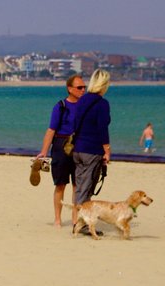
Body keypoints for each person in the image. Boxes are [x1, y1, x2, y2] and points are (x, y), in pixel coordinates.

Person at [35, 74, 85, 228]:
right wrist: (43, 152)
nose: (83, 90)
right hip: (60, 145)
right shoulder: (61, 106)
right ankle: (58, 218)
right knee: (60, 184)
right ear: (70, 89)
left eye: (84, 87)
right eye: (79, 87)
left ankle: (75, 218)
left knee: (78, 185)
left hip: (80, 145)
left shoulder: (86, 106)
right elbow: (51, 130)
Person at [72, 69, 112, 235]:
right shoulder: (101, 103)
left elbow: (75, 123)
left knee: (81, 187)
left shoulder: (82, 100)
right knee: (86, 189)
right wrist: (107, 150)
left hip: (78, 149)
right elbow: (102, 128)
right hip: (91, 150)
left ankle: (78, 222)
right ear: (104, 84)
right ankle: (82, 224)